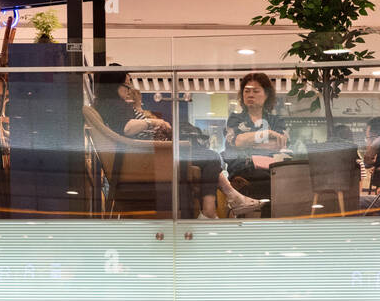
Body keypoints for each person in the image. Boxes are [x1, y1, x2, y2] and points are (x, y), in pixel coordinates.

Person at [92, 68, 260, 219]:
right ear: (114, 85)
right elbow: (127, 128)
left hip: (151, 155)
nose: (129, 91)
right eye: (127, 85)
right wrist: (155, 123)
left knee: (208, 157)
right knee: (210, 156)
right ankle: (216, 207)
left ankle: (227, 200)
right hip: (152, 158)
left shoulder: (110, 105)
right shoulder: (114, 105)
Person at [223, 72, 289, 202]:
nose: (250, 95)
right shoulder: (235, 118)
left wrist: (249, 141)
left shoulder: (276, 120)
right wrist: (267, 134)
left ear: (267, 94)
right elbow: (238, 141)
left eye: (256, 91)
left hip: (271, 170)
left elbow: (279, 145)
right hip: (242, 170)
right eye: (246, 91)